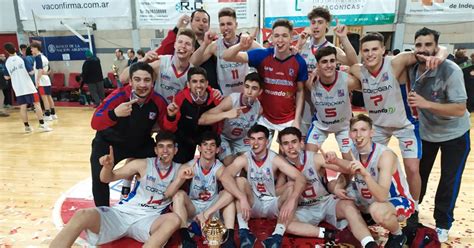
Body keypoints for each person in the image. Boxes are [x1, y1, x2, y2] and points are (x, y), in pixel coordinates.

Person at [348, 32, 448, 224]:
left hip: (406, 124)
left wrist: (438, 57)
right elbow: (347, 62)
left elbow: (434, 50)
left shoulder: (396, 62)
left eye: (375, 49)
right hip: (378, 126)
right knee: (369, 165)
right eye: (366, 50)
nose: (370, 54)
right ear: (361, 52)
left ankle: (414, 207)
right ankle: (372, 204)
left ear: (383, 50)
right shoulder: (359, 71)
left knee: (412, 168)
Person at [49, 132, 190, 247]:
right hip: (122, 214)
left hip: (149, 220)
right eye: (161, 146)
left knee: (173, 220)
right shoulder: (142, 164)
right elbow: (107, 178)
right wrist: (107, 168)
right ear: (155, 150)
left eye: (169, 147)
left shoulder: (181, 169)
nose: (165, 150)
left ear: (175, 150)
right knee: (82, 215)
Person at [407, 27, 471, 242]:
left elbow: (460, 109)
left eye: (428, 45)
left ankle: (443, 223)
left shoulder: (450, 69)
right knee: (418, 176)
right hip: (427, 133)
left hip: (455, 134)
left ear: (436, 46)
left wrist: (426, 104)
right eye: (419, 45)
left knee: (449, 179)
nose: (423, 49)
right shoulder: (412, 66)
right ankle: (413, 213)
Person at [90, 62, 177, 207]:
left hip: (140, 143)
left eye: (147, 80)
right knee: (99, 178)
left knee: (163, 160)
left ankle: (152, 202)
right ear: (130, 81)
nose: (142, 84)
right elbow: (94, 122)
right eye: (137, 79)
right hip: (110, 143)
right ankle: (103, 213)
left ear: (153, 82)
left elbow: (166, 129)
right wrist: (114, 114)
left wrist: (171, 116)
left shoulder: (158, 101)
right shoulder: (118, 96)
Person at [277, 127, 378, 248]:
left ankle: (369, 243)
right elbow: (278, 192)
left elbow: (350, 168)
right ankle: (329, 234)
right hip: (304, 208)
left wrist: (336, 161)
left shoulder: (315, 158)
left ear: (301, 143)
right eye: (286, 143)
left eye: (294, 142)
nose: (290, 147)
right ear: (282, 148)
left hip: (325, 201)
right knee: (284, 224)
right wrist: (290, 186)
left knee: (349, 207)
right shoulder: (283, 166)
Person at [333, 114, 415, 248]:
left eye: (363, 130)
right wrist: (338, 186)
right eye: (354, 130)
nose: (358, 134)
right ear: (350, 134)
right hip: (367, 200)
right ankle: (366, 226)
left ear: (372, 132)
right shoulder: (352, 152)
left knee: (377, 209)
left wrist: (366, 175)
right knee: (336, 200)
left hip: (393, 200)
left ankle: (398, 234)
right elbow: (346, 174)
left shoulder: (385, 155)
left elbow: (382, 196)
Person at [220, 125, 306, 248]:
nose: (256, 142)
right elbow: (225, 176)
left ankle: (277, 237)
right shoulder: (244, 158)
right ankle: (244, 232)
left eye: (260, 139)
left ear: (267, 141)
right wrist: (242, 198)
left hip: (272, 203)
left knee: (292, 187)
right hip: (253, 203)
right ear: (248, 141)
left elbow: (301, 178)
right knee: (239, 181)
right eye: (253, 139)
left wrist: (292, 199)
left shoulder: (275, 158)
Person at [223, 19, 308, 136]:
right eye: (276, 35)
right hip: (264, 117)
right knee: (258, 151)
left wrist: (297, 120)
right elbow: (226, 56)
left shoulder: (299, 62)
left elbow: (300, 91)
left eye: (284, 35)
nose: (280, 40)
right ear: (271, 38)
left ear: (291, 37)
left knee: (289, 152)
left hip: (288, 119)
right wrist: (240, 46)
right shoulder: (262, 55)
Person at [172, 131, 237, 248]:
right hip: (194, 207)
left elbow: (232, 190)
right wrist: (181, 178)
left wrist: (207, 213)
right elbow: (173, 190)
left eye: (212, 145)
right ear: (199, 148)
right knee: (178, 195)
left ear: (217, 150)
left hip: (212, 208)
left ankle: (229, 238)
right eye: (205, 144)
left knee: (229, 193)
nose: (208, 148)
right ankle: (186, 238)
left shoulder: (220, 168)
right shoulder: (188, 166)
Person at [191, 7, 261, 96]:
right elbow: (192, 63)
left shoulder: (246, 42)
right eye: (222, 24)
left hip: (245, 96)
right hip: (225, 97)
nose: (226, 28)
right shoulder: (215, 45)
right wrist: (205, 44)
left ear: (236, 25)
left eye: (229, 24)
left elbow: (268, 55)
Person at [305, 46, 359, 161]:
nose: (329, 65)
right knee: (308, 157)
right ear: (317, 65)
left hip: (344, 126)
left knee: (351, 160)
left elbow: (366, 82)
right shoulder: (310, 82)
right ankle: (321, 178)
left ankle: (346, 179)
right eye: (324, 62)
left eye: (332, 61)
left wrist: (352, 70)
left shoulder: (347, 81)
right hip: (320, 125)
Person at [198, 72, 263, 165]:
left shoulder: (258, 108)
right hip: (224, 136)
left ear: (260, 92)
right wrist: (226, 114)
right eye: (247, 86)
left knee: (250, 163)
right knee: (229, 162)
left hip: (241, 138)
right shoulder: (232, 100)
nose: (249, 92)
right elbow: (202, 119)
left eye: (254, 88)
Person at [165, 66, 221, 163]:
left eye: (202, 81)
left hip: (206, 139)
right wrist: (171, 116)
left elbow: (219, 124)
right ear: (188, 85)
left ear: (207, 83)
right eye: (194, 81)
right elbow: (169, 128)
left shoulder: (215, 98)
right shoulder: (180, 98)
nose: (199, 85)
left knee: (211, 166)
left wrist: (216, 139)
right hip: (184, 138)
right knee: (180, 165)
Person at [156, 9, 219, 90]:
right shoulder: (183, 43)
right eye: (197, 20)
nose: (201, 23)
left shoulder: (215, 43)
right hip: (187, 92)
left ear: (209, 25)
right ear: (191, 23)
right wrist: (177, 28)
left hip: (213, 93)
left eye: (205, 21)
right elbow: (163, 51)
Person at [128, 28, 195, 104]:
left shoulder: (193, 73)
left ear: (193, 49)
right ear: (175, 45)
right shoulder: (161, 62)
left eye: (188, 44)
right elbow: (123, 78)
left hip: (177, 112)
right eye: (180, 42)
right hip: (157, 110)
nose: (183, 46)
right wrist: (142, 61)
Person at [3, 43, 51, 132]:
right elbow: (31, 72)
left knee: (23, 106)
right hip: (28, 86)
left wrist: (15, 74)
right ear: (15, 49)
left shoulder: (7, 62)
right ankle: (42, 124)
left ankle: (27, 127)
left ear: (6, 51)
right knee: (37, 104)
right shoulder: (22, 59)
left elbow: (6, 77)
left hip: (18, 88)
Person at [30, 42, 58, 120]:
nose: (31, 50)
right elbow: (49, 70)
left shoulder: (38, 57)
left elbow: (40, 70)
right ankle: (53, 114)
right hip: (46, 79)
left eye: (32, 48)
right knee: (49, 97)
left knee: (44, 98)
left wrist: (37, 81)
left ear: (36, 48)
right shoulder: (44, 57)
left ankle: (48, 115)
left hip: (41, 80)